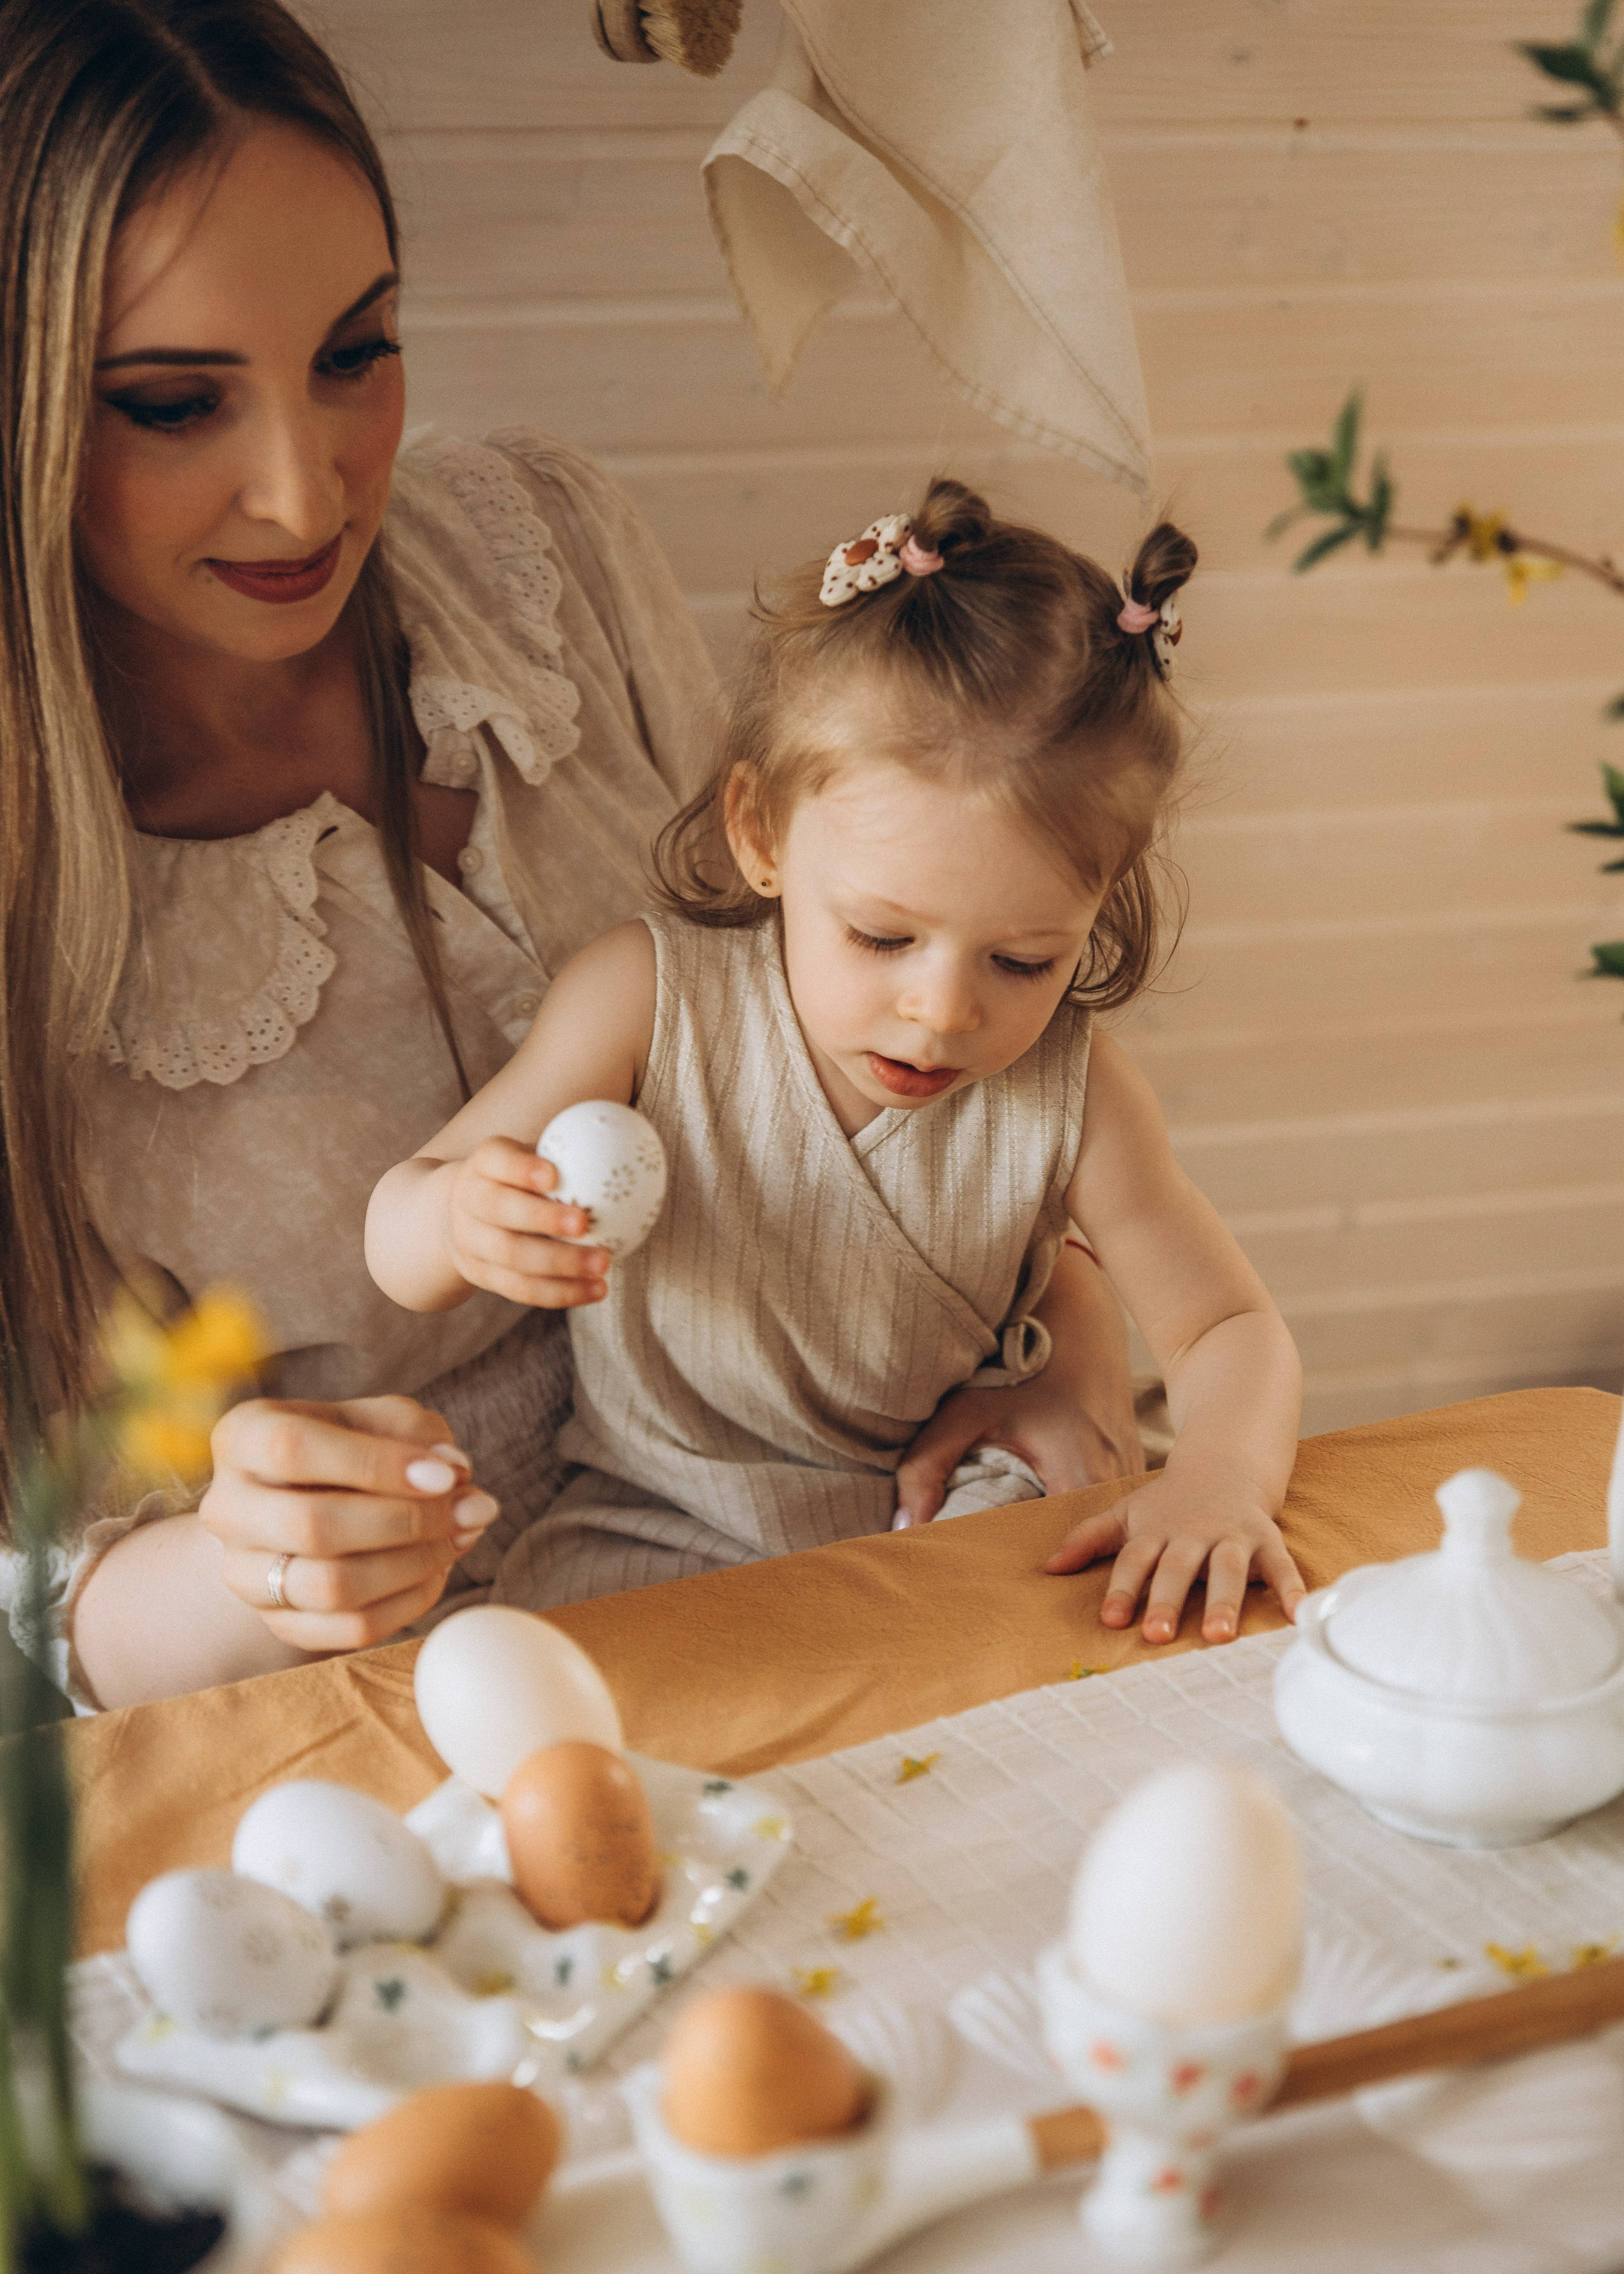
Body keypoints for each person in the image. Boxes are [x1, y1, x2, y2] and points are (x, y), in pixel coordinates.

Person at [0, 0, 1144, 1712]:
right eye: (172, 405)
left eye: (357, 350)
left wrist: (1066, 1335)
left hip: (846, 1538)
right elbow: (37, 1609)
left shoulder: (539, 547)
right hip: (406, 1718)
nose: (306, 497)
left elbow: (847, 1014)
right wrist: (240, 1572)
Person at [367, 487, 1307, 1638]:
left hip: (963, 1506)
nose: (941, 1013)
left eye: (1021, 960)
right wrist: (464, 1219)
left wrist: (1221, 1478)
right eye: (881, 937)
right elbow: (399, 1239)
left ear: (1100, 902)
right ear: (761, 834)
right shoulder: (645, 1003)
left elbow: (1228, 1330)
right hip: (660, 1524)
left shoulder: (1079, 1098)